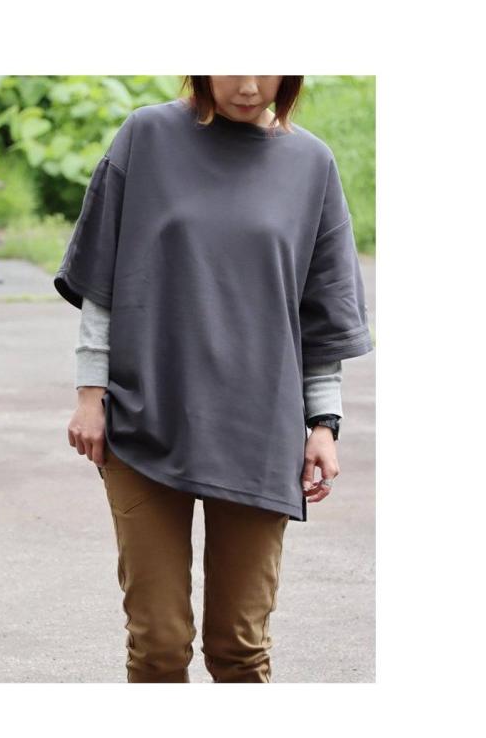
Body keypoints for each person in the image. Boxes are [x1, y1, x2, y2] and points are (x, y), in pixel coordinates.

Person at [53, 76, 374, 682]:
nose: (249, 85)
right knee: (158, 644)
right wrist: (90, 393)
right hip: (146, 417)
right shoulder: (146, 137)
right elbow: (101, 281)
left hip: (258, 430)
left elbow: (322, 311)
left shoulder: (311, 164)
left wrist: (323, 423)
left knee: (239, 649)